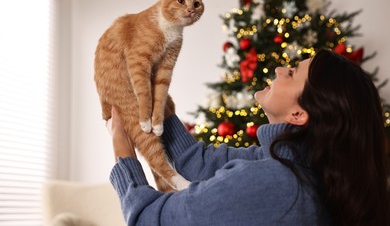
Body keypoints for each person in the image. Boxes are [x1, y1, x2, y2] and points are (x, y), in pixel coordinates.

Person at [108, 49, 389, 226]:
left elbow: (149, 219)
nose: (280, 69)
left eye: (291, 73)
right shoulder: (294, 162)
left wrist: (122, 148)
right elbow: (197, 163)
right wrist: (158, 103)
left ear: (299, 114)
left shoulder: (278, 182)